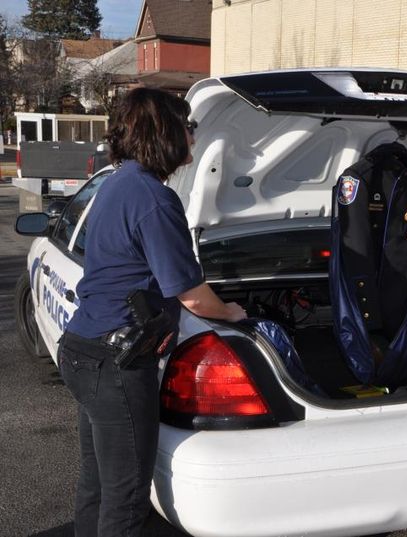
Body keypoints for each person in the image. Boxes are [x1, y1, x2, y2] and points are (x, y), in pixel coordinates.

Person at [57, 87, 247, 537]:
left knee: (99, 485)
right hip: (116, 363)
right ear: (164, 134)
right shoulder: (154, 198)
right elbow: (193, 297)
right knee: (126, 502)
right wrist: (233, 314)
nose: (193, 138)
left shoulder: (118, 182)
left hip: (83, 350)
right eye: (188, 127)